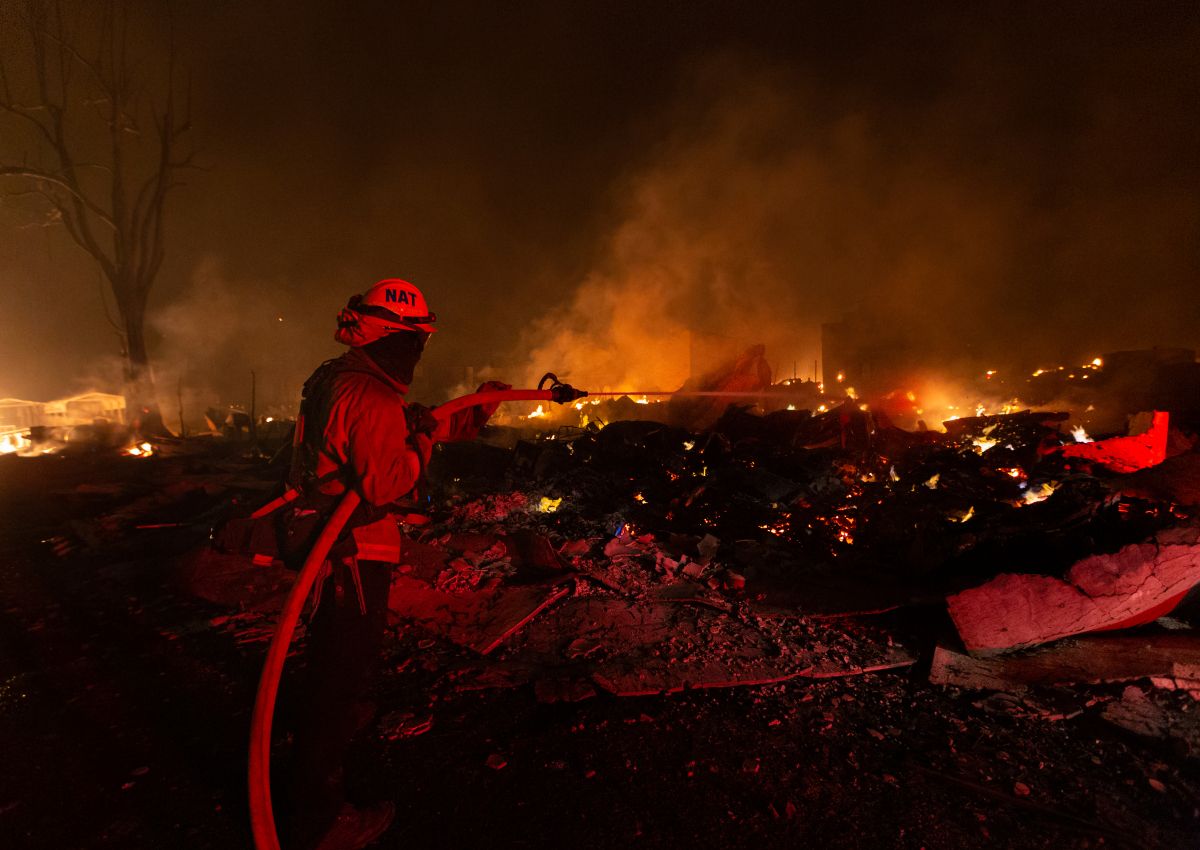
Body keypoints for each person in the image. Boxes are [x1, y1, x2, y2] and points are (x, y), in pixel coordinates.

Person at [287, 278, 506, 850]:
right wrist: (423, 447)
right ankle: (319, 820)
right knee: (337, 682)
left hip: (334, 549)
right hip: (352, 555)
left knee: (341, 676)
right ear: (394, 335)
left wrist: (475, 409)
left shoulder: (342, 379)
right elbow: (388, 479)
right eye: (415, 339)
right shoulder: (369, 395)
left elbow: (403, 429)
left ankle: (334, 774)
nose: (418, 349)